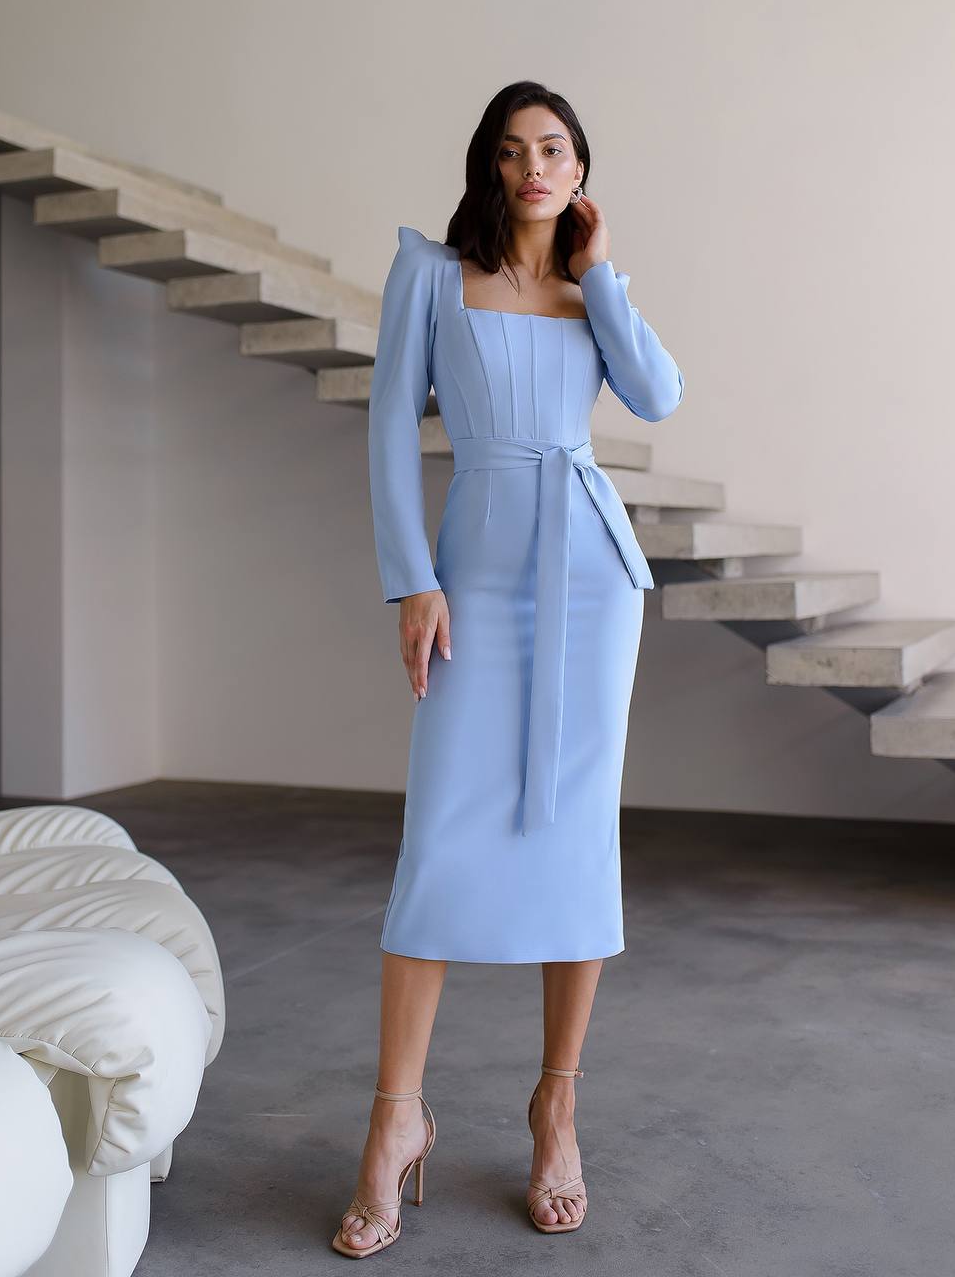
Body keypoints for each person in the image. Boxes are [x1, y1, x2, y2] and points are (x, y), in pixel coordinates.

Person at [333, 79, 685, 1258]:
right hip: (475, 574)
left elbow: (657, 395)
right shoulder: (432, 274)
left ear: (579, 169)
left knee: (580, 837)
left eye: (554, 149)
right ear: (487, 167)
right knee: (438, 842)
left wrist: (602, 276)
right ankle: (395, 1119)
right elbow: (389, 423)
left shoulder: (590, 292)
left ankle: (556, 1103)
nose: (533, 167)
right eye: (511, 150)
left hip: (592, 574)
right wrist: (411, 578)